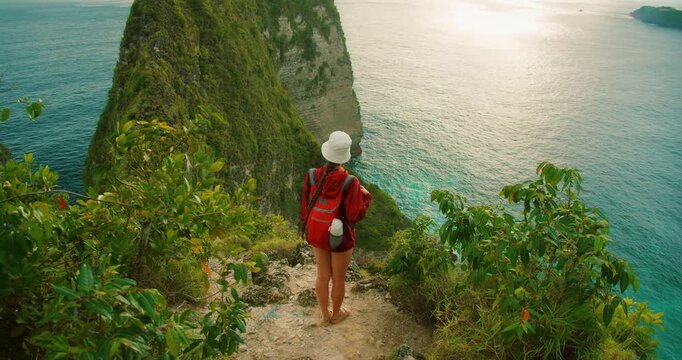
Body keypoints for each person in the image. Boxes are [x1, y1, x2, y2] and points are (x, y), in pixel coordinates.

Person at [300, 131, 372, 325]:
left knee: (322, 275)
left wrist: (308, 227)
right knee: (338, 278)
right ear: (344, 156)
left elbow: (305, 204)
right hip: (340, 238)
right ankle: (336, 314)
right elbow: (355, 215)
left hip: (317, 231)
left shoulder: (312, 175)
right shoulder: (350, 182)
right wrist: (366, 197)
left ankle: (324, 314)